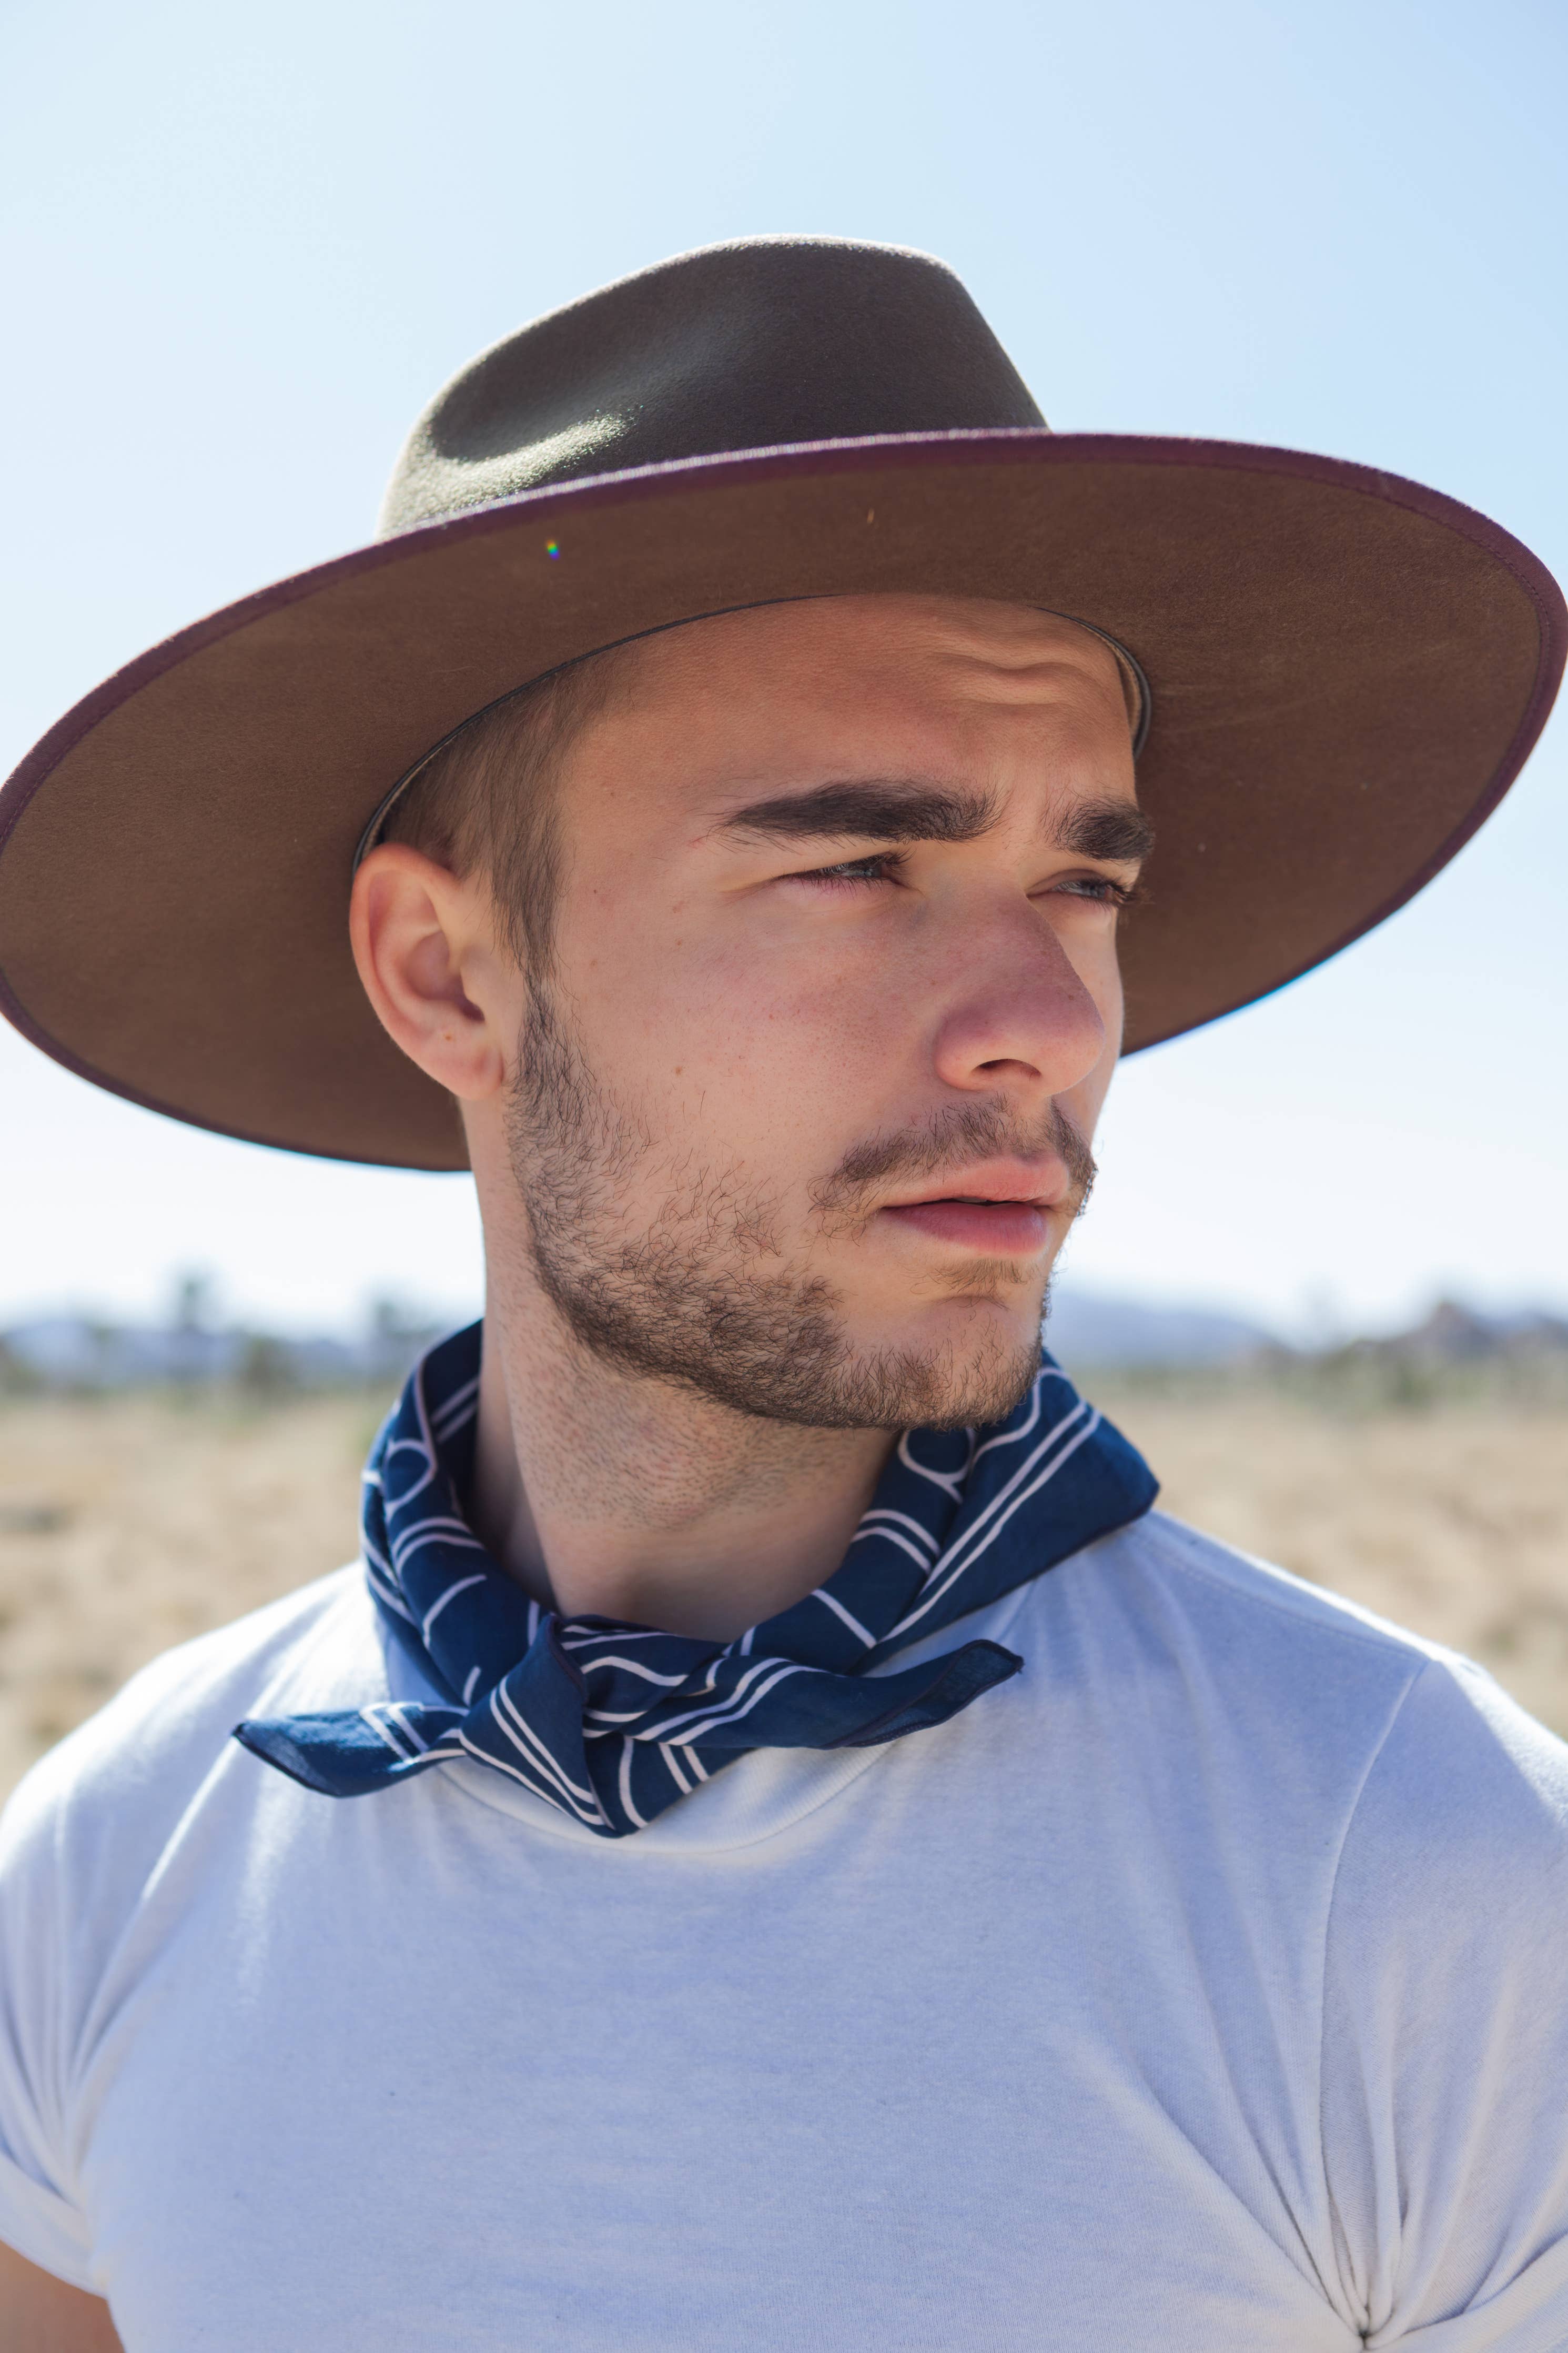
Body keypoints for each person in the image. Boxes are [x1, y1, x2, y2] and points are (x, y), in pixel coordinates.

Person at [0, 237, 1564, 2353]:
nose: (1043, 1019)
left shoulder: (1420, 1869)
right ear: (449, 974)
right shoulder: (108, 1859)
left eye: (1081, 881)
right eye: (856, 867)